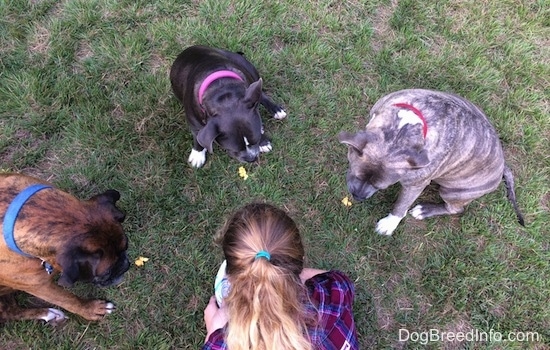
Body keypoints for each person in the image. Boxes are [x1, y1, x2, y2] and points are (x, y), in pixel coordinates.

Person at [202, 203, 359, 350]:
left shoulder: (225, 343)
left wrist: (213, 330)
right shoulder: (335, 292)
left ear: (230, 278)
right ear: (300, 261)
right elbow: (340, 282)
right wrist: (284, 278)